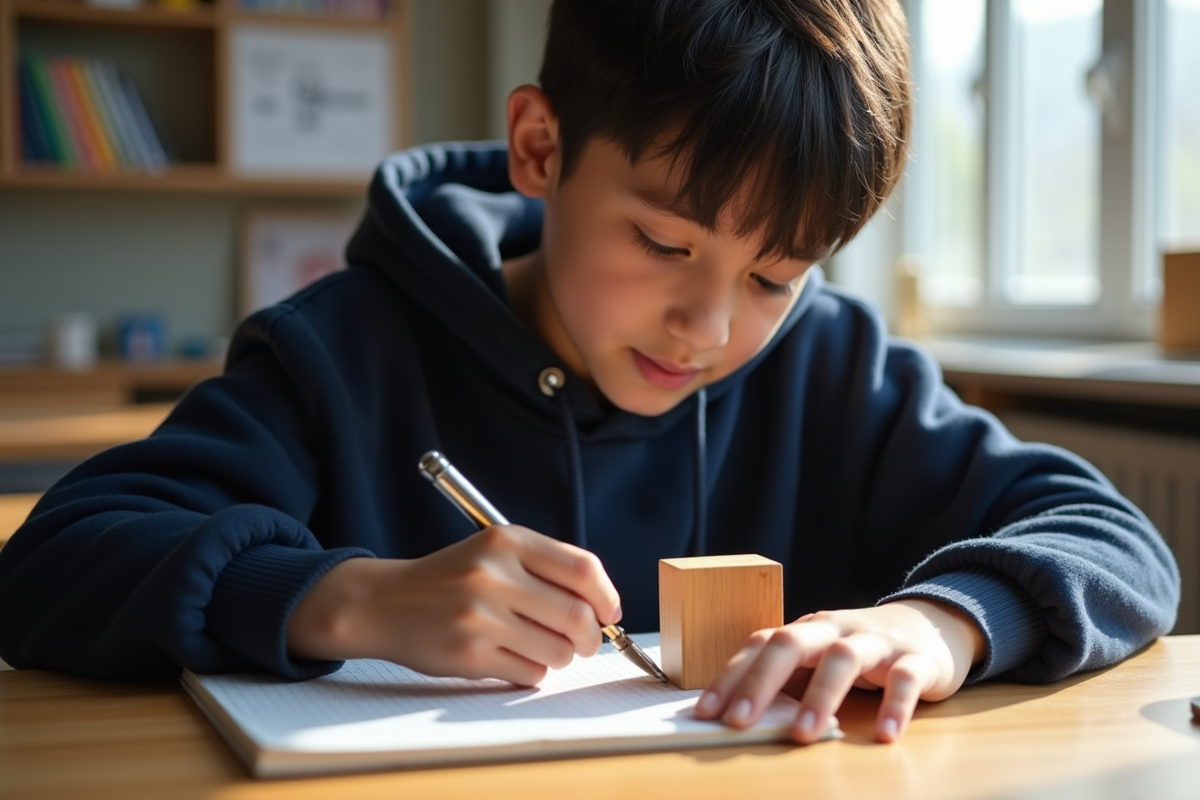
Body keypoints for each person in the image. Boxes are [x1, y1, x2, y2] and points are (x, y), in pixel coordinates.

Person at [0, 0, 1179, 746]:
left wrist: (942, 622)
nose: (710, 324)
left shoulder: (834, 365)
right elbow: (51, 566)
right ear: (539, 148)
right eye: (664, 244)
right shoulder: (342, 351)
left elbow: (1116, 541)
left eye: (774, 272)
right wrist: (346, 598)